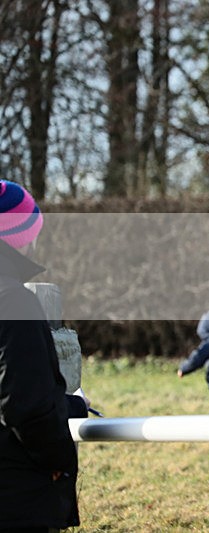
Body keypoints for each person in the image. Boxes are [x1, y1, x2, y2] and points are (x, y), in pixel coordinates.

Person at [0, 180, 90, 531]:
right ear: (20, 237)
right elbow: (25, 405)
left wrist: (72, 406)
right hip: (15, 497)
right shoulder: (14, 301)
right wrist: (58, 461)